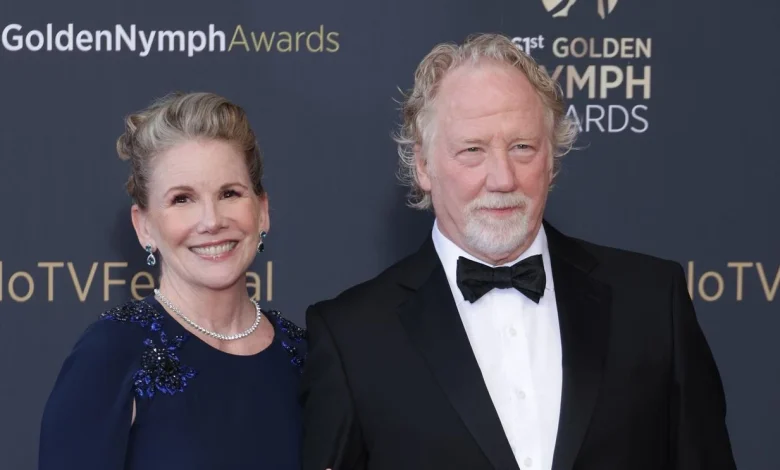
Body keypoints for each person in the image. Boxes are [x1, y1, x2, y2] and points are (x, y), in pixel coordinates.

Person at [300, 34, 737, 470]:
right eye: (472, 150)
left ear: (552, 159)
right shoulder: (352, 338)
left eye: (522, 147)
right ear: (424, 166)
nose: (502, 178)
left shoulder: (651, 303)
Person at [39, 92, 306, 470]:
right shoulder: (112, 354)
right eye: (182, 199)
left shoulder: (307, 358)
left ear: (261, 211)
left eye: (229, 193)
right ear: (144, 226)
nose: (211, 221)